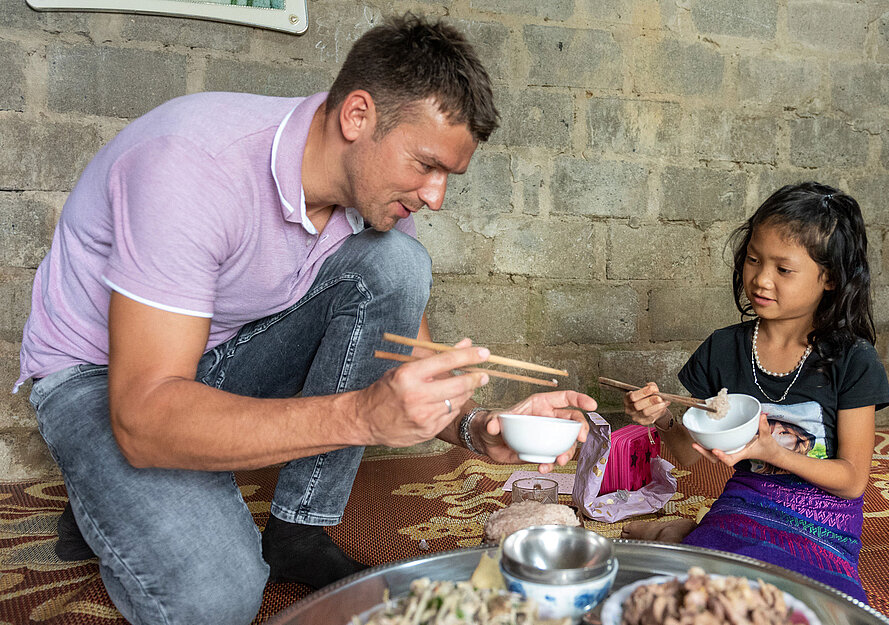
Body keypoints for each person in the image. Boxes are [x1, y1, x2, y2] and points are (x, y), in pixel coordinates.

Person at [14, 14, 595, 625]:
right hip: (103, 381)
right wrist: (361, 414)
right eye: (426, 165)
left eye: (449, 175)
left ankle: (296, 529)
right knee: (218, 600)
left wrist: (482, 427)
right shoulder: (190, 167)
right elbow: (145, 419)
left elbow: (411, 363)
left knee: (396, 262)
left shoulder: (374, 200)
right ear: (358, 117)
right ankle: (102, 501)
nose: (435, 195)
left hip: (222, 350)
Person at [619, 182, 889, 603]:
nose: (761, 279)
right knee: (694, 594)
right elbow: (690, 454)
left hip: (822, 518)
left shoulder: (852, 360)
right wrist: (662, 418)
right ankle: (683, 535)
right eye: (753, 259)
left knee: (817, 601)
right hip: (745, 502)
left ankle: (677, 534)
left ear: (831, 279)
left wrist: (775, 453)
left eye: (783, 269)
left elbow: (853, 481)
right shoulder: (723, 349)